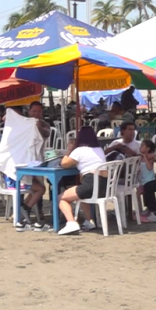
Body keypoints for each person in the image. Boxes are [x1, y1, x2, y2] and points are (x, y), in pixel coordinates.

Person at [56, 127, 108, 236]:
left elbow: (64, 164)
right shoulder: (99, 149)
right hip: (104, 186)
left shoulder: (79, 150)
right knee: (81, 195)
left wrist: (69, 150)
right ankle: (89, 221)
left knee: (61, 198)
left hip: (90, 183)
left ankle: (71, 222)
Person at [15, 101, 50, 231]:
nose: (36, 114)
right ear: (29, 111)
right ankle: (25, 209)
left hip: (37, 162)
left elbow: (46, 134)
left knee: (39, 187)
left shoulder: (44, 124)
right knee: (38, 188)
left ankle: (30, 210)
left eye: (39, 111)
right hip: (22, 164)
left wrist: (38, 126)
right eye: (34, 111)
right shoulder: (23, 124)